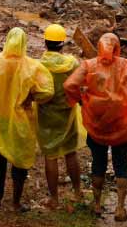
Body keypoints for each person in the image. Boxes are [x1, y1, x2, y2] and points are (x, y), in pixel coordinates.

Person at [64, 34, 127, 221]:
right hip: (121, 126)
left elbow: (70, 85)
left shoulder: (88, 65)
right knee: (121, 165)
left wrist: (81, 100)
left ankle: (97, 205)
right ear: (117, 48)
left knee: (98, 164)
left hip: (97, 126)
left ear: (99, 47)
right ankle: (120, 209)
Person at [0, 27, 54, 211]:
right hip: (21, 120)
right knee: (20, 161)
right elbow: (47, 91)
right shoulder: (32, 67)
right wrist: (32, 98)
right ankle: (16, 203)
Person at [36, 24, 84, 210]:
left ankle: (54, 199)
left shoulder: (39, 65)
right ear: (62, 44)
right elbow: (79, 86)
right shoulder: (72, 64)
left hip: (46, 115)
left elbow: (36, 90)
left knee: (51, 155)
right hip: (67, 114)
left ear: (45, 43)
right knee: (71, 152)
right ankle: (78, 192)